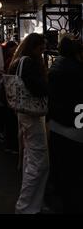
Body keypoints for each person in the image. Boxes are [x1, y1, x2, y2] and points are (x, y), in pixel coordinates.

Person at [8, 33, 49, 214]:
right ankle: (26, 206)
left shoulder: (18, 61)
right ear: (34, 47)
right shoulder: (29, 63)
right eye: (41, 48)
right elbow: (37, 88)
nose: (42, 52)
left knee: (30, 158)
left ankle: (31, 205)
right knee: (39, 162)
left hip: (22, 113)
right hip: (32, 114)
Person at [48, 35, 83, 214]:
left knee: (62, 170)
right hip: (73, 127)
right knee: (74, 173)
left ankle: (63, 202)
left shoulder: (56, 65)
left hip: (57, 124)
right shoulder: (76, 70)